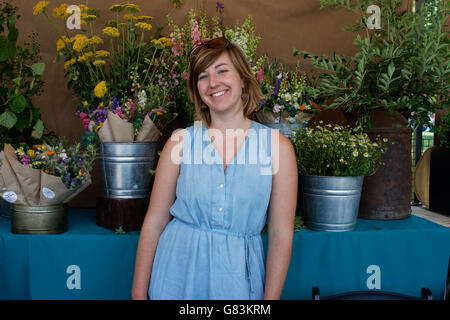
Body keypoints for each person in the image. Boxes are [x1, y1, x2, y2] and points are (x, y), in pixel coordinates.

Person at [131, 37, 297, 300]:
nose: (213, 84)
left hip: (237, 283)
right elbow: (154, 223)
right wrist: (138, 294)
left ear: (243, 78)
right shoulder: (180, 142)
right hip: (175, 276)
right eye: (203, 77)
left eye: (222, 71)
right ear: (197, 89)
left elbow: (280, 235)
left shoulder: (278, 148)